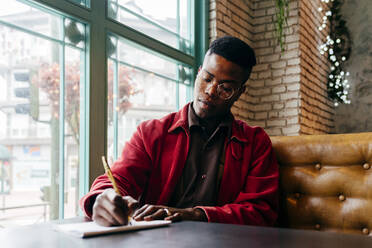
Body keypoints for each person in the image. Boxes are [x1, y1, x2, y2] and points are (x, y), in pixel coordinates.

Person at [80, 36, 279, 227]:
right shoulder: (150, 132)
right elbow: (118, 179)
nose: (210, 91)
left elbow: (260, 210)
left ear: (240, 93)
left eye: (225, 88)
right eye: (207, 78)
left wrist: (196, 215)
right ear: (198, 72)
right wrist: (101, 198)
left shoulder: (255, 143)